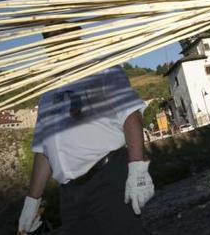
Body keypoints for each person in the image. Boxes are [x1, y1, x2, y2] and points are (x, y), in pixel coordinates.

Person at [17, 29, 154, 234]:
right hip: (70, 195)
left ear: (76, 35)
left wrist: (138, 169)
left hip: (107, 179)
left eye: (61, 33)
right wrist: (32, 201)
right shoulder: (47, 95)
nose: (55, 41)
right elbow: (43, 151)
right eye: (50, 38)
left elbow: (130, 116)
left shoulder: (102, 70)